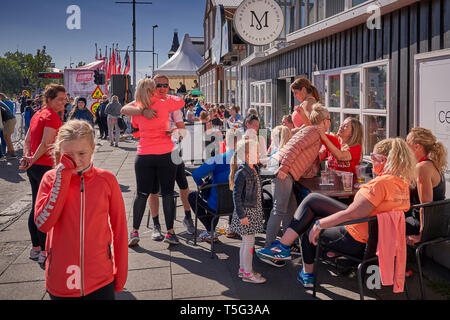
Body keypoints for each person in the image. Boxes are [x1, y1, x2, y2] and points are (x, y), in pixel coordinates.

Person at [257, 138, 416, 288]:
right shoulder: (401, 185)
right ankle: (283, 246)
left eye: (373, 156)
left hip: (355, 241)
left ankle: (305, 272)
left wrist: (320, 224)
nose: (371, 160)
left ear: (384, 160)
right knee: (313, 202)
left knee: (309, 226)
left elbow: (352, 214)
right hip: (376, 242)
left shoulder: (380, 184)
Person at [34, 120, 128, 300]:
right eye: (68, 154)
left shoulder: (107, 180)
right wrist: (62, 177)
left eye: (82, 153)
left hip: (101, 278)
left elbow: (120, 229)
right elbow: (43, 224)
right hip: (61, 279)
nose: (76, 160)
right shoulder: (51, 179)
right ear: (60, 152)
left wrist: (120, 273)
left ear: (93, 148)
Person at [121, 75, 185, 246]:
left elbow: (125, 111)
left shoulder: (138, 107)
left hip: (144, 156)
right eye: (157, 87)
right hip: (165, 154)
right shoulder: (164, 103)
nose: (160, 89)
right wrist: (164, 96)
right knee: (168, 194)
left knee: (142, 194)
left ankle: (134, 232)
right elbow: (181, 102)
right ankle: (170, 233)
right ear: (152, 90)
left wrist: (142, 109)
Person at [262, 105, 330, 265]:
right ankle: (269, 249)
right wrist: (285, 168)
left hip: (287, 171)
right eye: (329, 120)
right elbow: (295, 147)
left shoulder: (314, 132)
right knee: (279, 209)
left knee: (291, 209)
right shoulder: (313, 131)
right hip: (283, 169)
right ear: (325, 121)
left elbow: (306, 158)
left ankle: (286, 245)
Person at [19, 83, 66, 268]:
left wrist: (27, 158)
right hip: (46, 168)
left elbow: (27, 140)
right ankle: (45, 252)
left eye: (65, 98)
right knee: (47, 209)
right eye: (60, 99)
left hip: (34, 168)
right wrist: (31, 158)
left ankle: (35, 248)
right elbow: (46, 144)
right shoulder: (51, 116)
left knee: (35, 206)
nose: (64, 102)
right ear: (49, 100)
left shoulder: (37, 113)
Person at [146, 108, 195, 240]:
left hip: (174, 152)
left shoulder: (173, 107)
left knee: (184, 187)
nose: (162, 88)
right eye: (159, 86)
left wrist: (178, 133)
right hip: (155, 152)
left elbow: (182, 131)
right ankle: (156, 224)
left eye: (164, 86)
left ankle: (187, 217)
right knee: (154, 190)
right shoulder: (149, 104)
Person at [188, 129, 242, 242]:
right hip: (238, 206)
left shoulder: (216, 159)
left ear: (226, 141)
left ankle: (209, 230)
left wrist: (201, 184)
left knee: (193, 196)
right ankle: (231, 228)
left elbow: (196, 174)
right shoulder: (246, 161)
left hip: (217, 205)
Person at [229, 138, 266, 284]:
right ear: (246, 156)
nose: (259, 154)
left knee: (247, 242)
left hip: (252, 211)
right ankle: (248, 273)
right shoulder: (242, 172)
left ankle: (243, 269)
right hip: (246, 213)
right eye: (256, 152)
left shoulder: (253, 169)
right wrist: (242, 215)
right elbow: (236, 196)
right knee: (249, 243)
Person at [405, 127, 447, 245]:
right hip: (438, 221)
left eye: (407, 143)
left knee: (384, 223)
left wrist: (422, 235)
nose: (405, 146)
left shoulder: (422, 168)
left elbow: (426, 206)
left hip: (426, 225)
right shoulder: (432, 163)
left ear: (417, 146)